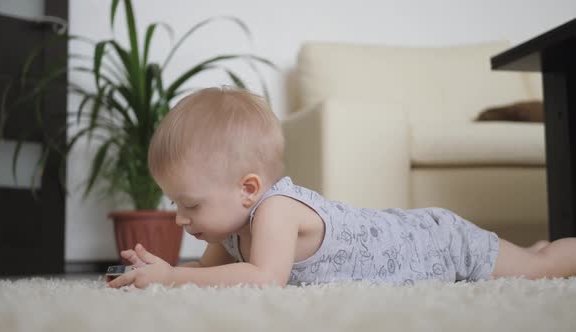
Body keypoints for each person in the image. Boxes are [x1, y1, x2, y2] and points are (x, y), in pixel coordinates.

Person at [106, 86, 575, 289]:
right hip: (415, 235)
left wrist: (172, 278)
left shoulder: (276, 212)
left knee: (539, 267)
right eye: (175, 203)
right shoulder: (227, 228)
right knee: (527, 255)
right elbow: (208, 276)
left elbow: (264, 280)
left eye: (189, 203)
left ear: (249, 188)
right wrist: (164, 273)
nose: (180, 217)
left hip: (438, 245)